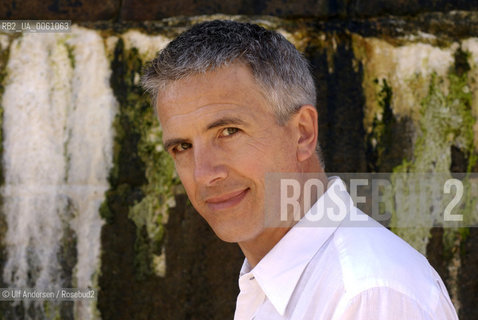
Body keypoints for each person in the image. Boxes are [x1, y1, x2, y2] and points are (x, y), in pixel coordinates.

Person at [142, 20, 458, 319]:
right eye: (182, 147)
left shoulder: (367, 294)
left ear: (302, 133)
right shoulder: (274, 281)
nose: (204, 174)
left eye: (228, 132)